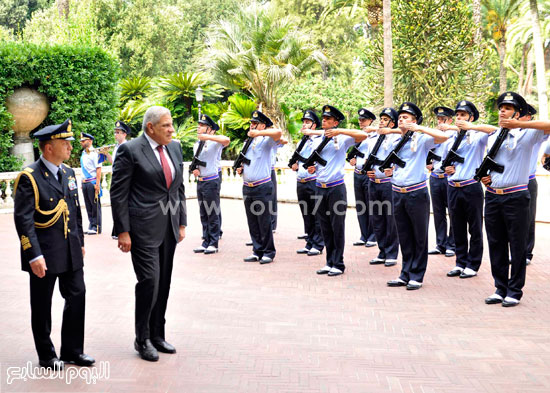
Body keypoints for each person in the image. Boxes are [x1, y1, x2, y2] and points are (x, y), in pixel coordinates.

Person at [13, 119, 95, 370]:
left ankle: (72, 351)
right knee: (42, 304)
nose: (70, 147)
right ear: (48, 148)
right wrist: (33, 255)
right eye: (65, 143)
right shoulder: (30, 176)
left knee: (77, 295)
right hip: (44, 253)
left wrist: (79, 241)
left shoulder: (68, 173)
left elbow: (75, 209)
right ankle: (47, 355)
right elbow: (23, 220)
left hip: (70, 249)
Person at [110, 106, 187, 361]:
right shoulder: (130, 150)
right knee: (149, 282)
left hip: (169, 227)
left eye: (171, 125)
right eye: (166, 125)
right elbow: (118, 192)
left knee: (163, 282)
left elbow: (178, 189)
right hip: (141, 229)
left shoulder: (175, 148)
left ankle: (157, 334)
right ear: (150, 127)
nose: (171, 130)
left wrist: (182, 222)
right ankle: (141, 338)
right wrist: (122, 230)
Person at [483, 92, 550, 307]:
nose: (503, 110)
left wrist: (521, 125)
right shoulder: (493, 136)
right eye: (501, 107)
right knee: (496, 243)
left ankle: (514, 290)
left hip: (516, 196)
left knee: (518, 244)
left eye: (509, 108)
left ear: (518, 113)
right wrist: (486, 178)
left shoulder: (527, 135)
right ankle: (499, 287)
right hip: (493, 196)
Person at [385, 102, 449, 290]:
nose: (401, 119)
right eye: (400, 117)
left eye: (406, 117)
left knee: (419, 235)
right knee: (404, 235)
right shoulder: (394, 141)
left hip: (416, 192)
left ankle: (417, 275)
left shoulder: (421, 139)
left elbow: (444, 137)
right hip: (397, 191)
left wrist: (419, 128)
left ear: (414, 121)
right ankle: (405, 273)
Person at [308, 105, 368, 277]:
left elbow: (363, 135)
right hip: (320, 187)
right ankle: (329, 261)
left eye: (328, 119)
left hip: (336, 188)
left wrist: (339, 131)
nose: (324, 121)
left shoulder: (341, 138)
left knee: (337, 226)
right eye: (323, 119)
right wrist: (313, 169)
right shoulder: (317, 138)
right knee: (325, 226)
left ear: (335, 122)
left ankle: (338, 263)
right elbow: (316, 163)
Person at [441, 101, 493, 279]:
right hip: (453, 187)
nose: (459, 118)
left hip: (471, 186)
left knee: (475, 227)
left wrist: (473, 127)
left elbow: (495, 130)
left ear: (471, 117)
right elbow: (445, 164)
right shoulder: (451, 138)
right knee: (457, 227)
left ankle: (473, 264)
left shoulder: (478, 135)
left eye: (463, 115)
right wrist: (447, 169)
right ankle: (460, 262)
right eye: (458, 115)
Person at [236, 110, 283, 264]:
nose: (252, 126)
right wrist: (240, 168)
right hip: (247, 186)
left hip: (262, 186)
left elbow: (278, 133)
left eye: (255, 123)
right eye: (251, 123)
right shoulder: (247, 143)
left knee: (264, 220)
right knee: (252, 221)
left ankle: (269, 251)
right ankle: (257, 250)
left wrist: (259, 133)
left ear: (263, 126)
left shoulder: (266, 141)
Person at [364, 107, 400, 267]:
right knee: (377, 219)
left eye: (386, 120)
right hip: (374, 184)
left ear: (392, 123)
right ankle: (382, 250)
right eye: (382, 119)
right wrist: (369, 172)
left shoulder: (396, 139)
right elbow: (367, 160)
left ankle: (391, 253)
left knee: (390, 219)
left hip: (388, 184)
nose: (382, 122)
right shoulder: (373, 139)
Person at [191, 114, 229, 255]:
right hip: (201, 181)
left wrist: (208, 137)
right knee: (203, 213)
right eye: (199, 125)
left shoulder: (215, 142)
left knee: (212, 212)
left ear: (210, 130)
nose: (198, 127)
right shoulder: (197, 144)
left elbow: (226, 140)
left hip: (211, 181)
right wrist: (195, 169)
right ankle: (205, 241)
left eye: (202, 126)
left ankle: (213, 242)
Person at [292, 110, 325, 256]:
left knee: (317, 213)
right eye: (303, 122)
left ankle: (318, 244)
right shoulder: (301, 142)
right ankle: (309, 241)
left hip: (313, 181)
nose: (304, 125)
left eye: (307, 122)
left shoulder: (318, 140)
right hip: (301, 181)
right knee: (306, 214)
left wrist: (313, 134)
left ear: (314, 125)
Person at [426, 106, 456, 258]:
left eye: (442, 119)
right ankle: (441, 243)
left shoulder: (456, 134)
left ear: (450, 120)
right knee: (438, 212)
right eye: (438, 119)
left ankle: (452, 244)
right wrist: (428, 162)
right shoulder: (435, 135)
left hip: (448, 178)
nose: (439, 122)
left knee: (452, 212)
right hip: (435, 177)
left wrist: (450, 128)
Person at [349, 108, 377, 248]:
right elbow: (356, 153)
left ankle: (373, 235)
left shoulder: (376, 136)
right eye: (360, 120)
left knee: (371, 205)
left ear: (371, 121)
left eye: (364, 120)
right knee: (361, 205)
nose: (361, 123)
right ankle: (363, 234)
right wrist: (352, 159)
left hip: (369, 174)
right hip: (358, 173)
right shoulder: (358, 137)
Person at [104, 120, 132, 240]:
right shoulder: (116, 147)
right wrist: (106, 154)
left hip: (124, 180)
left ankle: (124, 230)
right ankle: (117, 230)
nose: (116, 134)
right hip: (116, 179)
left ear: (124, 134)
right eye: (115, 132)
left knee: (123, 205)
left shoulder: (127, 147)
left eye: (118, 132)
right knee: (116, 204)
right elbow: (114, 163)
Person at [79, 133, 103, 235]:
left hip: (92, 182)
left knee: (94, 205)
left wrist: (97, 184)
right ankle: (91, 224)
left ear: (90, 141)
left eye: (84, 141)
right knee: (88, 205)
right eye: (81, 141)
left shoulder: (95, 153)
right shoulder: (83, 154)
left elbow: (98, 170)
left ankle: (96, 226)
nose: (81, 143)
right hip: (85, 183)